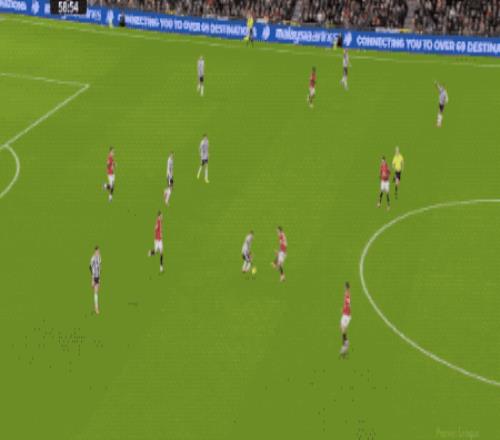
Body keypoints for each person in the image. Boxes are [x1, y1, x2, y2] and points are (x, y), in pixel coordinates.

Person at [340, 282, 351, 357]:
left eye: (344, 286)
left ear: (346, 287)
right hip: (345, 314)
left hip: (346, 314)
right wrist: (343, 309)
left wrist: (344, 310)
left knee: (343, 329)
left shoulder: (347, 294)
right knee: (341, 327)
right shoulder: (346, 293)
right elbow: (346, 303)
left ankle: (345, 346)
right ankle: (346, 342)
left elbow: (348, 304)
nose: (343, 287)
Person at [89, 246, 102, 315]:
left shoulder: (99, 257)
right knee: (95, 292)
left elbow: (99, 268)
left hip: (98, 276)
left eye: (99, 251)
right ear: (95, 251)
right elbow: (90, 267)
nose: (98, 252)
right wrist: (92, 279)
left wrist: (99, 278)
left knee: (96, 292)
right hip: (94, 276)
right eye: (97, 251)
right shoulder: (92, 258)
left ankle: (96, 307)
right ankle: (96, 308)